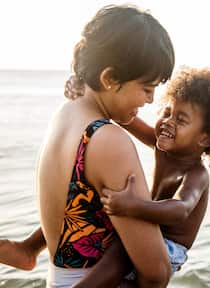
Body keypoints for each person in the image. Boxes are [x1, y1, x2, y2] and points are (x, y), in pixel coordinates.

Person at [0, 67, 210, 286]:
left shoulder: (196, 174)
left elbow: (180, 208)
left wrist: (134, 206)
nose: (167, 122)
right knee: (92, 207)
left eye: (180, 119)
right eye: (167, 111)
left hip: (170, 247)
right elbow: (124, 117)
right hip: (149, 225)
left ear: (204, 138)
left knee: (120, 250)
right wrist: (86, 86)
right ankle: (29, 248)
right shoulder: (163, 146)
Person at [0, 4, 176, 288]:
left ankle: (27, 249)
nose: (151, 100)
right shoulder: (109, 141)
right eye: (146, 88)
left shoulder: (65, 114)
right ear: (109, 78)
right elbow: (156, 271)